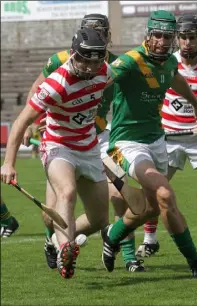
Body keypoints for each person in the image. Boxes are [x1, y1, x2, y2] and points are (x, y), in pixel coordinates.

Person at [22, 14, 143, 273]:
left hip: (102, 138)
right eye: (90, 30)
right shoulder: (60, 60)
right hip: (62, 140)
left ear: (109, 36)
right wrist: (34, 122)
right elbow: (37, 90)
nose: (97, 36)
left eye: (102, 31)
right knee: (50, 211)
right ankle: (53, 240)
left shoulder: (116, 65)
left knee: (120, 194)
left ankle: (128, 256)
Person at [100, 10, 197, 278]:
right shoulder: (130, 62)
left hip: (156, 140)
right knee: (165, 195)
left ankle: (112, 236)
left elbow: (176, 78)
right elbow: (100, 82)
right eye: (158, 35)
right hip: (126, 143)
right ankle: (196, 263)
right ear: (148, 36)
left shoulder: (169, 62)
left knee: (151, 207)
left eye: (167, 36)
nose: (162, 41)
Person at [1, 27, 111, 279]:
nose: (90, 67)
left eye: (95, 61)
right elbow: (19, 123)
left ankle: (54, 240)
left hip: (89, 146)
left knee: (99, 219)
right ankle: (65, 250)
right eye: (85, 60)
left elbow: (108, 82)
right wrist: (8, 163)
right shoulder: (55, 85)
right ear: (73, 54)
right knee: (67, 192)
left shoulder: (104, 72)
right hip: (58, 144)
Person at [137, 14, 197, 258]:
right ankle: (150, 240)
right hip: (169, 136)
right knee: (155, 191)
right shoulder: (166, 64)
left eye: (192, 37)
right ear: (177, 39)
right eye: (183, 37)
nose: (188, 42)